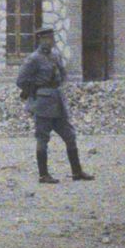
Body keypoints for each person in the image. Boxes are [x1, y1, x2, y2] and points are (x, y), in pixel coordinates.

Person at [16, 29, 92, 184]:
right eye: (46, 39)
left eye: (51, 38)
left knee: (70, 136)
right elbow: (21, 80)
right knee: (43, 138)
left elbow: (63, 74)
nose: (49, 41)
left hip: (58, 102)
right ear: (39, 40)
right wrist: (35, 91)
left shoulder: (55, 55)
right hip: (43, 104)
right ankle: (43, 175)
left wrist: (58, 84)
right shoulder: (33, 59)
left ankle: (77, 172)